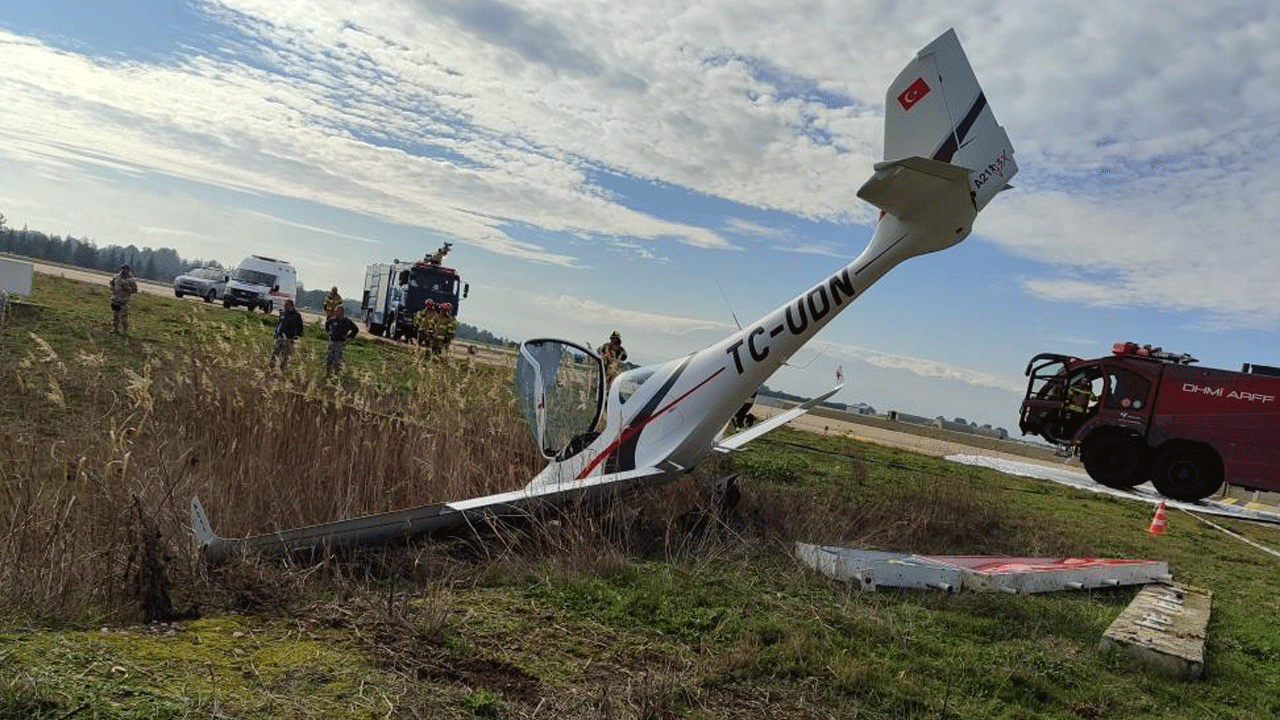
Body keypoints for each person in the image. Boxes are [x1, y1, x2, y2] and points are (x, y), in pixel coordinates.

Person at [269, 299, 305, 370]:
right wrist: (276, 332)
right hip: (280, 337)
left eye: (287, 305)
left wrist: (294, 335)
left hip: (288, 338)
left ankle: (282, 369)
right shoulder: (284, 314)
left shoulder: (296, 316)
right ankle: (271, 367)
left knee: (285, 356)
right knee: (275, 353)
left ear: (291, 306)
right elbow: (280, 324)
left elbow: (300, 328)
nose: (285, 307)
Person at [323, 305, 359, 375]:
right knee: (329, 358)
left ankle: (336, 374)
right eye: (335, 311)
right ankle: (328, 373)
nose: (335, 312)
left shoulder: (346, 321)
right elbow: (327, 325)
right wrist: (329, 332)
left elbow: (355, 329)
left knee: (337, 359)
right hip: (332, 341)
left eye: (337, 311)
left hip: (340, 342)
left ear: (341, 312)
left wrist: (348, 336)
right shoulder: (332, 320)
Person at [108, 264, 139, 337]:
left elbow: (135, 290)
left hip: (124, 301)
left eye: (125, 269)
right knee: (115, 316)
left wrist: (129, 289)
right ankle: (115, 329)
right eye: (122, 269)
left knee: (124, 318)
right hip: (116, 299)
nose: (123, 271)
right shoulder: (116, 277)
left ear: (128, 270)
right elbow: (111, 284)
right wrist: (113, 289)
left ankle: (124, 332)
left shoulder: (131, 280)